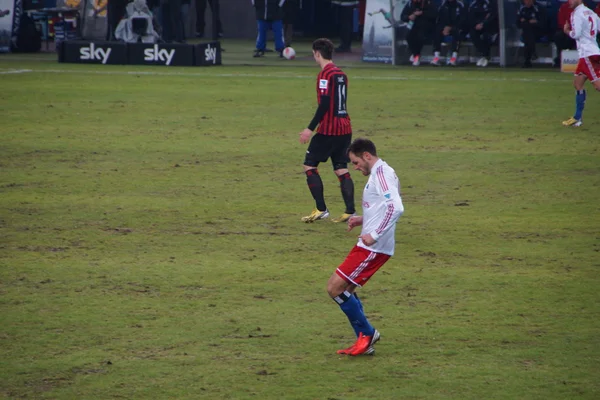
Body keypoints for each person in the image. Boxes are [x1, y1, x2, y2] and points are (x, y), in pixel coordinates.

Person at [328, 138, 404, 356]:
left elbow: (396, 207)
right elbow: (384, 206)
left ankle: (367, 333)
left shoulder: (381, 175)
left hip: (373, 247)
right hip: (369, 244)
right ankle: (364, 339)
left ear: (367, 156)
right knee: (347, 290)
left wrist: (375, 233)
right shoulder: (383, 172)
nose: (355, 166)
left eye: (355, 162)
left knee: (334, 288)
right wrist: (363, 219)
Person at [298, 38, 356, 224]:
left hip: (329, 130)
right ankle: (350, 211)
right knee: (340, 168)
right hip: (345, 128)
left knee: (310, 165)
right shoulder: (341, 74)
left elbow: (324, 104)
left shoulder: (325, 75)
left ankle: (321, 208)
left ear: (317, 53)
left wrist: (309, 128)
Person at [561, 0, 600, 127]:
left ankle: (578, 118)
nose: (569, 2)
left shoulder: (576, 14)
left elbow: (576, 34)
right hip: (591, 51)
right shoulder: (592, 13)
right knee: (578, 84)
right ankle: (577, 118)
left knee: (598, 86)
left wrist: (567, 31)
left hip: (587, 54)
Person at [400, 0, 437, 66]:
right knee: (408, 36)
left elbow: (434, 15)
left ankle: (416, 56)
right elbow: (402, 16)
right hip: (413, 26)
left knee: (420, 36)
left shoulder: (428, 3)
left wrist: (422, 13)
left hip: (426, 26)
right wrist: (409, 17)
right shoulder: (409, 4)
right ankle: (416, 55)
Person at [431, 0, 467, 66]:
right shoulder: (443, 4)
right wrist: (444, 28)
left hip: (457, 27)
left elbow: (463, 20)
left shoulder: (460, 5)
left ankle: (454, 57)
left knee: (458, 33)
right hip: (445, 27)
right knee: (437, 32)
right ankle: (436, 57)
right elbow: (439, 19)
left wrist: (451, 27)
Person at [516, 0, 547, 68]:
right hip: (527, 32)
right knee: (528, 33)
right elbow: (518, 23)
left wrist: (528, 22)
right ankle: (532, 53)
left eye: (529, 1)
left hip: (539, 31)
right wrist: (529, 22)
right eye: (526, 1)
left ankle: (527, 60)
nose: (527, 2)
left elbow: (542, 23)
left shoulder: (539, 8)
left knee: (527, 34)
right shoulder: (521, 8)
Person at [468, 0, 498, 67]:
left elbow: (492, 15)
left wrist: (483, 24)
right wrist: (476, 24)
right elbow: (471, 17)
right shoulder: (473, 4)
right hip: (477, 26)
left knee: (486, 36)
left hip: (490, 27)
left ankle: (485, 56)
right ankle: (484, 55)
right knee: (473, 34)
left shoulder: (490, 3)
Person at [554, 1, 576, 67]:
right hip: (565, 30)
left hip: (579, 31)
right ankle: (560, 58)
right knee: (558, 36)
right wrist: (567, 28)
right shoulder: (564, 6)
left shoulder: (583, 8)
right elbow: (561, 20)